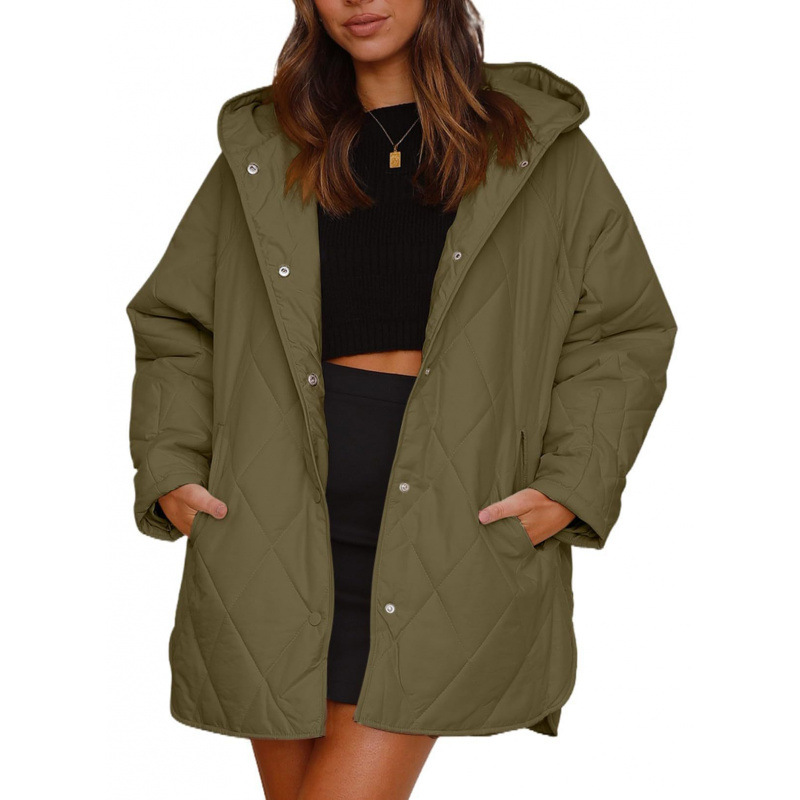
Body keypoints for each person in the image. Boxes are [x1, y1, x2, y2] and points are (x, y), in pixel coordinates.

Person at [126, 1, 677, 798]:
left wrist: (571, 485)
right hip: (276, 528)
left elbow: (622, 331)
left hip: (450, 524)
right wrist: (172, 468)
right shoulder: (268, 149)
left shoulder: (535, 148)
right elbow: (178, 322)